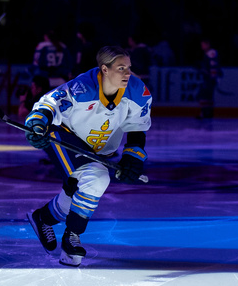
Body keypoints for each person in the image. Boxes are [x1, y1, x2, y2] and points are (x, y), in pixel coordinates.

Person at [24, 46, 152, 266]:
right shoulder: (83, 88)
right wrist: (37, 122)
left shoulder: (137, 92)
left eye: (129, 68)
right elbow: (49, 103)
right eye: (121, 68)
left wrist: (133, 157)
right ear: (104, 69)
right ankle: (71, 238)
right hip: (64, 135)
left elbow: (137, 129)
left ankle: (42, 217)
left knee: (75, 190)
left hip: (95, 149)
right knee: (97, 178)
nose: (127, 73)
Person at [197, 38, 222, 119]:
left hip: (210, 78)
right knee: (207, 96)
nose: (202, 46)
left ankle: (205, 113)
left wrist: (212, 77)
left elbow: (213, 66)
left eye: (203, 44)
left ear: (208, 44)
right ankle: (206, 113)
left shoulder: (211, 53)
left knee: (205, 95)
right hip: (208, 78)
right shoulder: (207, 53)